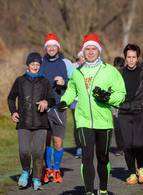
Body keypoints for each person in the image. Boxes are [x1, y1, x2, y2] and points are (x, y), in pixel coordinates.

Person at [58, 34, 126, 195]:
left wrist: (108, 98)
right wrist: (64, 101)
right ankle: (89, 191)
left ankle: (103, 190)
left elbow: (121, 93)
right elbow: (71, 90)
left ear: (98, 51)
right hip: (83, 120)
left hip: (104, 121)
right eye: (87, 49)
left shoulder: (109, 70)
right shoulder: (77, 72)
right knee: (86, 158)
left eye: (93, 49)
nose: (90, 52)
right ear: (83, 51)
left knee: (102, 158)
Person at [7, 52, 55, 190]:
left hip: (41, 123)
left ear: (40, 65)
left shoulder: (45, 82)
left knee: (38, 153)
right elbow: (11, 97)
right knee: (24, 150)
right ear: (28, 65)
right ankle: (25, 171)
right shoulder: (20, 81)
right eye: (32, 64)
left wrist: (46, 101)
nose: (35, 67)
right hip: (24, 123)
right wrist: (13, 111)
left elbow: (52, 100)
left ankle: (36, 178)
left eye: (37, 64)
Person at [118, 44, 143, 185]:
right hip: (124, 113)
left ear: (138, 58)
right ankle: (132, 173)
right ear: (125, 58)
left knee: (137, 144)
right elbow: (113, 90)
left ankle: (141, 169)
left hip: (140, 112)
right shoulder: (119, 73)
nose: (131, 60)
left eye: (133, 57)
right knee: (127, 145)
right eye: (128, 57)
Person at [40, 33, 73, 183]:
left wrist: (64, 81)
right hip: (44, 107)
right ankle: (47, 169)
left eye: (54, 46)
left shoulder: (66, 63)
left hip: (60, 107)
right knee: (46, 141)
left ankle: (57, 169)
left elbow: (75, 82)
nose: (51, 48)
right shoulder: (40, 63)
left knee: (57, 141)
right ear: (45, 47)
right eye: (49, 46)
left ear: (58, 47)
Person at [68, 49, 85, 158]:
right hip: (75, 101)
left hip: (86, 101)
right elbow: (69, 80)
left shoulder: (91, 66)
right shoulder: (73, 66)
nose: (83, 58)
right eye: (82, 56)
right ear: (78, 57)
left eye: (85, 56)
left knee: (86, 125)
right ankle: (79, 148)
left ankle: (87, 147)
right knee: (77, 125)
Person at [112, 56, 125, 156]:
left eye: (119, 68)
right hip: (115, 106)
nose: (117, 71)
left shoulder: (126, 75)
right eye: (116, 68)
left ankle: (125, 147)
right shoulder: (110, 75)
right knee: (117, 128)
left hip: (125, 105)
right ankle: (120, 147)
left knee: (125, 127)